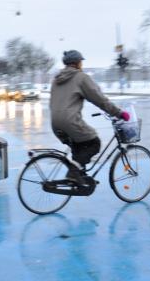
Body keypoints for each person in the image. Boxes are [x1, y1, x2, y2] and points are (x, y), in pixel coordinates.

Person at [50, 50, 130, 184]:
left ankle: (78, 177)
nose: (82, 64)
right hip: (69, 122)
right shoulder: (81, 78)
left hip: (55, 123)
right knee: (94, 143)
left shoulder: (56, 79)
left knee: (79, 147)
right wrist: (119, 113)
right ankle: (73, 173)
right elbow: (100, 100)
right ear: (77, 63)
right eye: (81, 61)